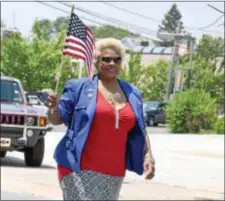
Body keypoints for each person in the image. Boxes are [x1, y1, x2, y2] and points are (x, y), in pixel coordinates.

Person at [47, 38, 155, 200]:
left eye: (116, 59)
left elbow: (140, 128)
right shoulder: (79, 87)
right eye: (106, 59)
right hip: (79, 168)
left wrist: (148, 156)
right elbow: (57, 119)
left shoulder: (132, 93)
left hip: (114, 172)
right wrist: (53, 108)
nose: (112, 63)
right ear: (97, 61)